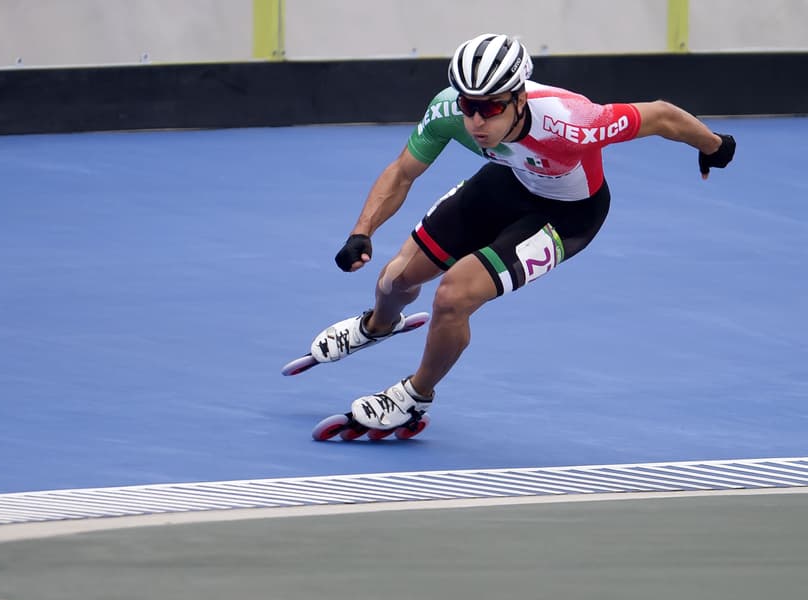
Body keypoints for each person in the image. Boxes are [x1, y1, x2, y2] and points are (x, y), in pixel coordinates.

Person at [304, 32, 736, 432]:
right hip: (509, 181)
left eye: (490, 107)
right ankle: (378, 325)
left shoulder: (573, 122)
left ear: (518, 99)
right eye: (468, 105)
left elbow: (660, 116)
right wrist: (362, 232)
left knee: (454, 296)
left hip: (568, 214)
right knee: (396, 278)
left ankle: (416, 396)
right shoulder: (446, 112)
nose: (476, 119)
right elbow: (402, 172)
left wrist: (714, 146)